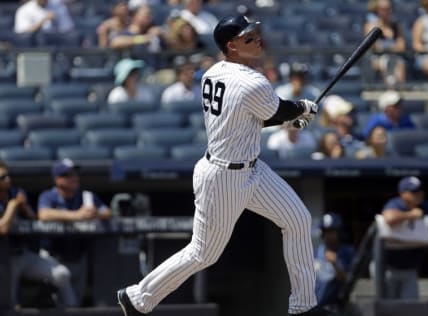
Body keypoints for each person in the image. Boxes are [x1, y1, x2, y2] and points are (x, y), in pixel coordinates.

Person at [117, 15, 324, 316]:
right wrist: (301, 108)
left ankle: (304, 307)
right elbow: (278, 109)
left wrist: (291, 117)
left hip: (251, 168)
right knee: (203, 253)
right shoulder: (252, 81)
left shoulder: (213, 73)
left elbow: (251, 118)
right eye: (248, 38)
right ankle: (138, 298)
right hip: (224, 177)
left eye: (255, 34)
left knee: (298, 220)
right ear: (232, 46)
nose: (257, 40)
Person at [0, 160, 77, 308]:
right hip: (3, 261)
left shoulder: (15, 192)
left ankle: (73, 310)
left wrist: (23, 206)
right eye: (3, 178)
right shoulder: (12, 201)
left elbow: (34, 219)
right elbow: (3, 228)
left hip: (24, 254)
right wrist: (13, 205)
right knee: (8, 304)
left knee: (61, 274)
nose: (8, 180)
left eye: (8, 176)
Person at [38, 158, 112, 306]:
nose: (74, 178)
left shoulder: (86, 197)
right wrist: (77, 216)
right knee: (62, 303)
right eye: (68, 175)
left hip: (79, 258)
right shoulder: (49, 196)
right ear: (58, 179)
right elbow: (43, 214)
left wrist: (96, 213)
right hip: (54, 258)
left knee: (75, 303)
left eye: (75, 174)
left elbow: (108, 212)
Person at [379, 176, 428, 299]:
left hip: (410, 270)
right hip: (387, 268)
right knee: (388, 309)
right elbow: (389, 218)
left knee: (410, 309)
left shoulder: (425, 206)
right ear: (403, 194)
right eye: (414, 192)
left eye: (420, 190)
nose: (420, 194)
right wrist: (410, 215)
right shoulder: (395, 203)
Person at [314, 212, 355, 309]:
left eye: (331, 231)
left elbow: (349, 281)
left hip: (335, 307)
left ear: (339, 232)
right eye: (325, 231)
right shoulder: (315, 253)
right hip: (314, 307)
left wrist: (335, 264)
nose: (328, 235)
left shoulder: (347, 252)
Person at [364, 0, 407, 87]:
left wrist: (388, 49)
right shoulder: (371, 26)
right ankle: (390, 91)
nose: (386, 12)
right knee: (386, 62)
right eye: (383, 9)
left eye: (388, 9)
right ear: (377, 10)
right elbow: (375, 48)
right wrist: (392, 48)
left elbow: (401, 47)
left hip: (395, 58)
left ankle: (399, 91)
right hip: (377, 58)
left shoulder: (396, 26)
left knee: (399, 63)